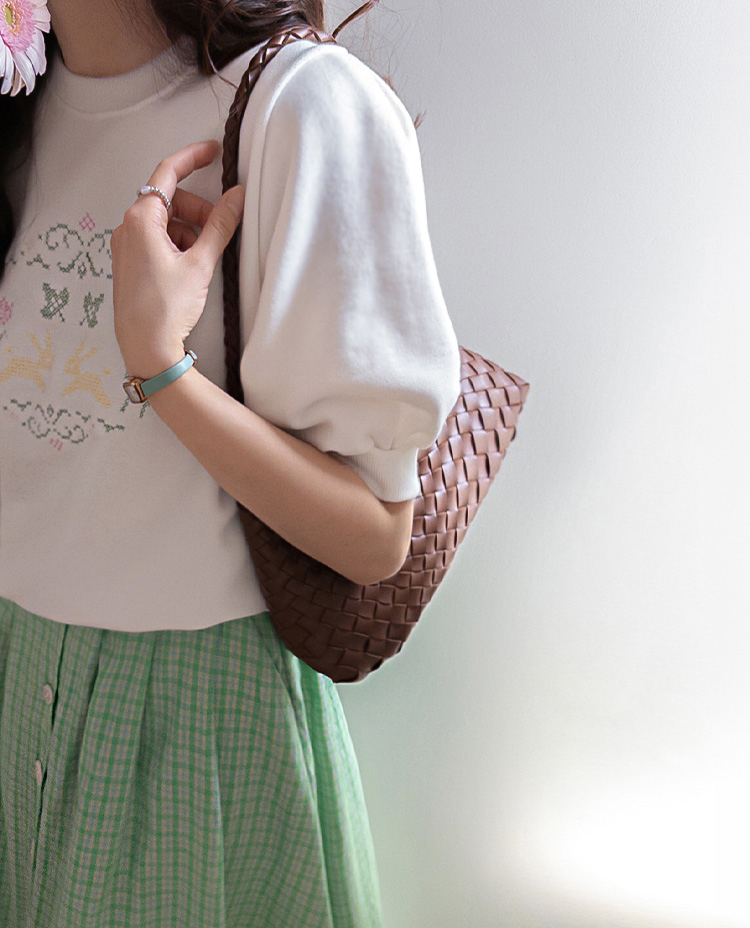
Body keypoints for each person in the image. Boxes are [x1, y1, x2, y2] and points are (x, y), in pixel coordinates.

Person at [0, 0, 462, 925]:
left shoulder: (300, 105)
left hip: (189, 734)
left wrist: (161, 367)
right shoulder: (22, 110)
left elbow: (377, 534)